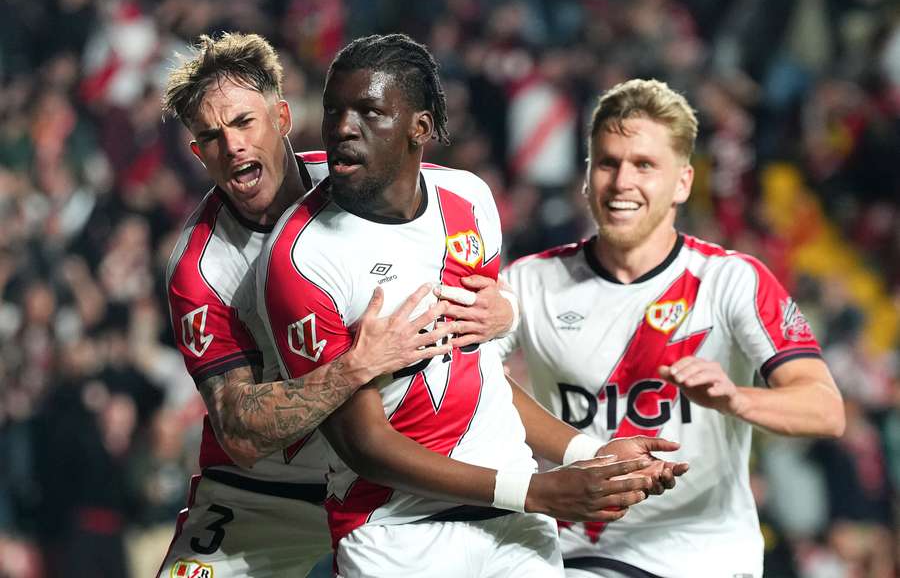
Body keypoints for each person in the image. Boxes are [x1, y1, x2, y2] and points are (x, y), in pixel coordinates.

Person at [258, 34, 688, 578]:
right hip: (396, 535)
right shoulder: (301, 256)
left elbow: (482, 375)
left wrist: (588, 454)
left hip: (515, 526)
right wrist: (535, 491)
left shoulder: (470, 200)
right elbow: (361, 443)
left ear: (419, 127)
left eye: (369, 111)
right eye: (334, 110)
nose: (343, 127)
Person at [496, 78, 846, 578]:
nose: (622, 182)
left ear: (683, 182)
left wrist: (736, 399)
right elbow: (470, 377)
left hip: (706, 556)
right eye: (608, 163)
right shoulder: (528, 282)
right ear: (587, 176)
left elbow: (826, 408)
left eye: (644, 165)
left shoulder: (732, 281)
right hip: (581, 551)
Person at [159, 32, 474, 578]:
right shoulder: (200, 268)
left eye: (243, 122)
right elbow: (239, 432)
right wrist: (356, 366)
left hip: (377, 480)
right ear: (198, 154)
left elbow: (449, 232)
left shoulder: (359, 184)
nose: (232, 146)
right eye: (210, 136)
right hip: (261, 497)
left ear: (282, 117)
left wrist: (501, 307)